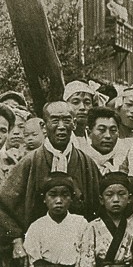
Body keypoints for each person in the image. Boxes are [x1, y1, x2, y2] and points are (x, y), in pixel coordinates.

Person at [0, 102, 102, 240]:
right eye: (55, 120)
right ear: (44, 125)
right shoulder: (29, 162)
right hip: (36, 245)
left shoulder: (86, 163)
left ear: (74, 123)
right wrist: (16, 238)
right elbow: (4, 205)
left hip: (79, 244)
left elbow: (101, 203)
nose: (61, 127)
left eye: (66, 120)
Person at [83, 107, 128, 174]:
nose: (108, 136)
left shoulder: (125, 159)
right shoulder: (82, 160)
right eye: (102, 130)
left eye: (113, 131)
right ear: (89, 132)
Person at [63, 80, 95, 149]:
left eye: (87, 103)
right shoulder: (61, 139)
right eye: (75, 102)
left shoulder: (93, 137)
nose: (82, 107)